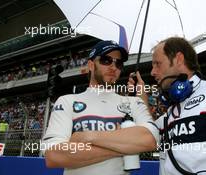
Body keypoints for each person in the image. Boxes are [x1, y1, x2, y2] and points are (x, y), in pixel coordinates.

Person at [71, 37, 206, 175]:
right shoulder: (171, 113)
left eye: (157, 64)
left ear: (178, 59)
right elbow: (149, 133)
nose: (152, 72)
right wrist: (140, 98)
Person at [42, 40, 153, 175]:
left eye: (118, 63)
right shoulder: (67, 101)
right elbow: (54, 155)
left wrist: (88, 137)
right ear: (90, 65)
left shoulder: (132, 103)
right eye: (106, 60)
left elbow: (150, 140)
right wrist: (125, 145)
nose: (113, 67)